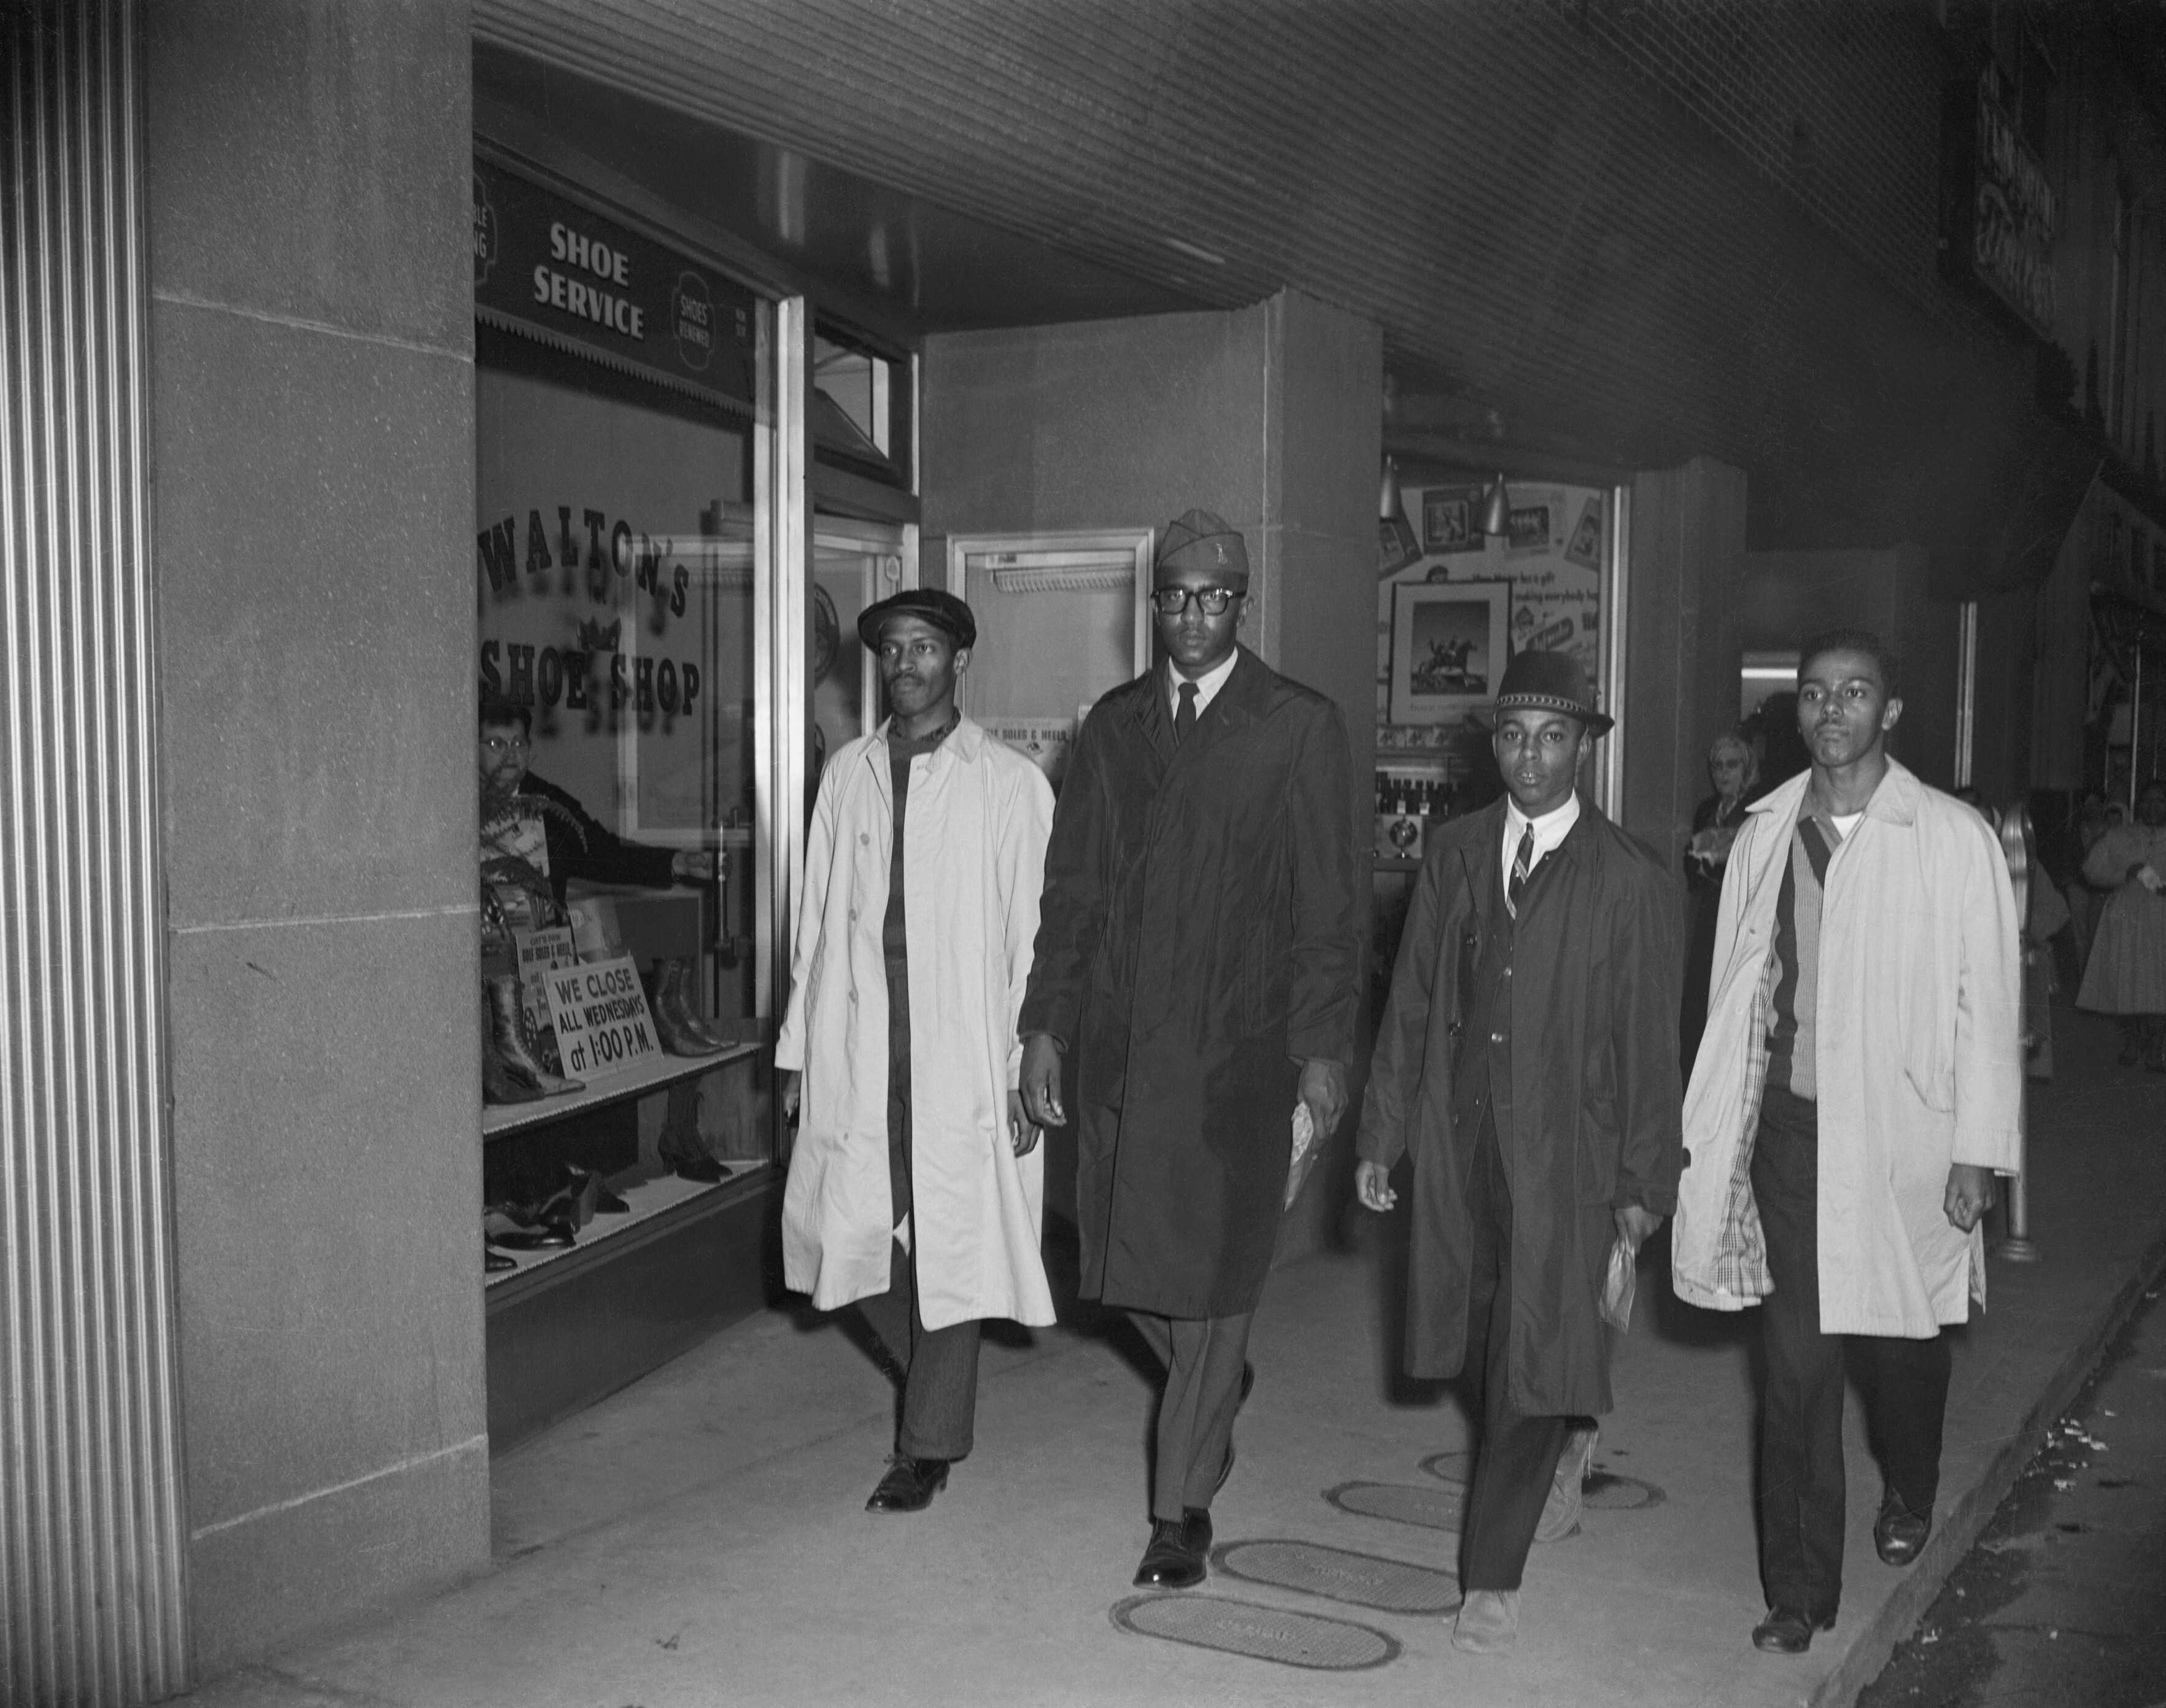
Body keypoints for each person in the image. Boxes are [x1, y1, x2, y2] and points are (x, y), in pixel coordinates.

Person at [1017, 508, 1360, 1591]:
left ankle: (1180, 1509)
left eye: (1215, 597)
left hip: (1236, 1056)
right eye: (1175, 596)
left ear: (1240, 605)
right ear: (1152, 603)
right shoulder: (1112, 724)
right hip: (1121, 1045)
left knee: (1213, 1283)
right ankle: (1215, 1384)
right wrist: (1044, 1025)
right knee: (1116, 1269)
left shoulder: (1295, 723)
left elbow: (1327, 907)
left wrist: (1319, 1054)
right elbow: (1068, 895)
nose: (1193, 616)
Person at [1671, 628, 2021, 1658]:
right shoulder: (1763, 831)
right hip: (1786, 1132)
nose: (1831, 711)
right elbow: (1731, 994)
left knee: (1901, 1345)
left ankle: (1906, 1480)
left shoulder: (1946, 834)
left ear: (1891, 712)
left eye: (1854, 692)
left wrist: (1976, 1148)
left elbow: (1984, 1004)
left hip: (1904, 1135)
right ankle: (1796, 1587)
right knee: (1795, 1369)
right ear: (1797, 713)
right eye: (1815, 694)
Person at [1355, 651, 1682, 1655]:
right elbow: (1409, 999)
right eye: (1510, 733)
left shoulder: (1628, 876)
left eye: (1550, 735)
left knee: (1524, 1352)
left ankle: (1489, 1574)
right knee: (1467, 1340)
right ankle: (1563, 1427)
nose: (1528, 755)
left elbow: (1644, 1039)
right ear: (1489, 742)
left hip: (1568, 1156)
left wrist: (1643, 1182)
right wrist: (1381, 1133)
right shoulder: (1452, 852)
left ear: (1582, 744)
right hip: (1459, 1145)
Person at [775, 587, 1057, 1513]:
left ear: (960, 661)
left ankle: (926, 1442)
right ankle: (938, 1386)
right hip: (862, 1041)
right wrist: (796, 1054)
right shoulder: (846, 773)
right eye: (893, 648)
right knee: (850, 1231)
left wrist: (1025, 1065)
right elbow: (816, 924)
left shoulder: (1008, 783)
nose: (906, 664)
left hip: (960, 1049)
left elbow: (1033, 938)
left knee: (953, 1228)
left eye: (925, 647)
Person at [2075, 778, 2166, 1068]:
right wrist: (2125, 872)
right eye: (2148, 801)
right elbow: (2091, 870)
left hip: (2161, 921)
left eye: (2160, 801)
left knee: (2158, 986)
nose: (2153, 807)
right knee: (2129, 984)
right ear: (2138, 804)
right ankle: (2134, 1041)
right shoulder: (2119, 835)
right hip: (2128, 919)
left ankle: (2156, 1047)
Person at [1682, 731, 1760, 1066]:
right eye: (1717, 767)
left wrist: (1713, 860)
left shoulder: (1757, 808)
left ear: (1746, 769)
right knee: (1702, 993)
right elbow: (1693, 864)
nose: (1723, 774)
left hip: (1742, 914)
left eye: (1731, 766)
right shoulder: (1707, 810)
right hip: (1709, 912)